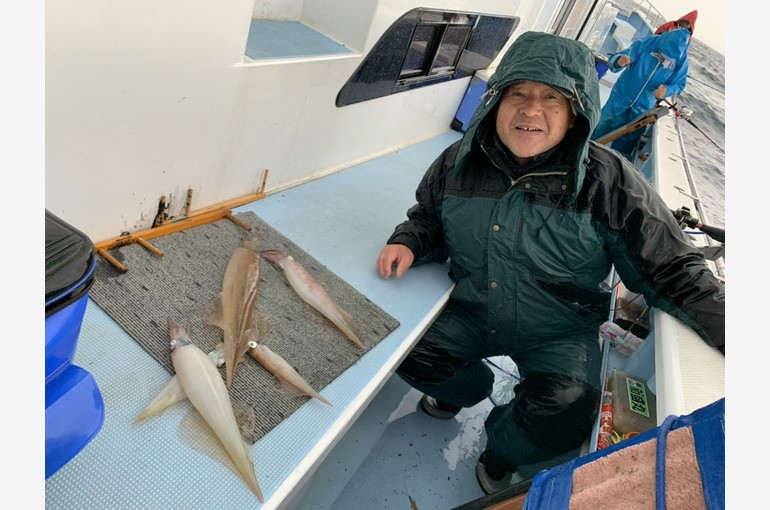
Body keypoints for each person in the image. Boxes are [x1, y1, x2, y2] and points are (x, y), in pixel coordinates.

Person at [376, 31, 724, 495]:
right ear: (495, 101)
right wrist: (411, 241)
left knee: (566, 408)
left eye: (551, 98)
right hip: (471, 308)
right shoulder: (456, 161)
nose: (531, 109)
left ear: (575, 111)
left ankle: (500, 448)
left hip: (560, 329)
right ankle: (468, 389)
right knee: (405, 351)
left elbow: (672, 268)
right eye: (518, 92)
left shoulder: (609, 181)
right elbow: (429, 219)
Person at [590, 28, 690, 156]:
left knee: (624, 146)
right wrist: (619, 61)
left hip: (642, 109)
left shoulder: (682, 61)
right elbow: (615, 59)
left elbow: (679, 84)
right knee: (599, 129)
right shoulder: (647, 43)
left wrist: (667, 90)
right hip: (620, 97)